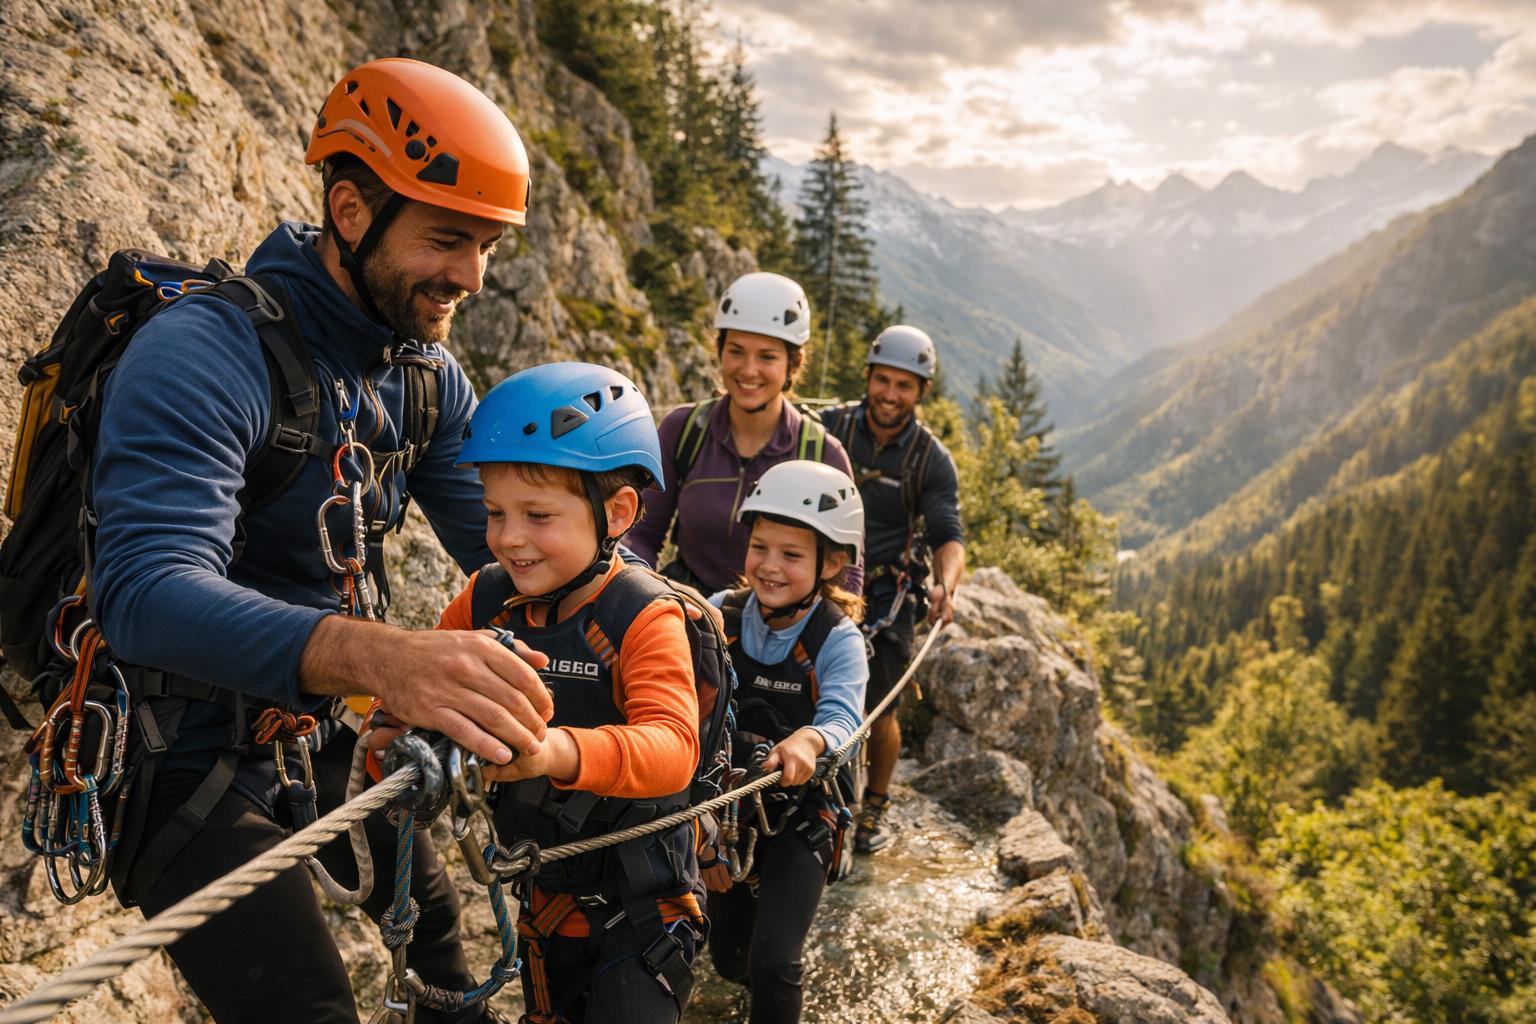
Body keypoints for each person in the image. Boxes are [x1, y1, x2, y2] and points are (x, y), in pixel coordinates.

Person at [87, 58, 549, 1022]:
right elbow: (139, 590)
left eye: (487, 249)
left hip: (306, 730)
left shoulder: (421, 378)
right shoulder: (207, 353)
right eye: (448, 241)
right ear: (350, 213)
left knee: (440, 943)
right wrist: (383, 658)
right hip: (176, 752)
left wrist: (652, 623)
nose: (470, 278)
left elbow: (515, 558)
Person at [399, 362, 707, 1023]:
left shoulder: (642, 615)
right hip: (547, 897)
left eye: (538, 515)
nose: (509, 538)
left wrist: (554, 751)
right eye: (494, 513)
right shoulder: (486, 599)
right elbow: (420, 691)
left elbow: (674, 747)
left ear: (618, 513)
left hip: (645, 906)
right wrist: (393, 743)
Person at [703, 460, 869, 1024]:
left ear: (832, 563)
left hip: (805, 814)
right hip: (729, 805)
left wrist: (810, 739)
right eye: (760, 547)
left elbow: (844, 715)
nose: (769, 567)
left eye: (791, 555)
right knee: (729, 959)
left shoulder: (837, 639)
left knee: (776, 962)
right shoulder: (716, 615)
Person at [819, 326, 965, 854]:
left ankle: (874, 802)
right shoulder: (830, 428)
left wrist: (946, 586)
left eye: (904, 386)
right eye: (883, 380)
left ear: (921, 392)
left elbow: (948, 534)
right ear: (868, 378)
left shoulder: (929, 459)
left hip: (888, 594)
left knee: (879, 706)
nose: (889, 394)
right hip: (818, 580)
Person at [627, 271, 860, 596]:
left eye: (767, 357)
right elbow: (642, 532)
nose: (748, 370)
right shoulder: (683, 430)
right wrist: (640, 595)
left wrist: (822, 637)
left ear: (792, 365)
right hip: (687, 610)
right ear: (719, 352)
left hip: (778, 628)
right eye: (736, 351)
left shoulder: (821, 454)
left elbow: (847, 574)